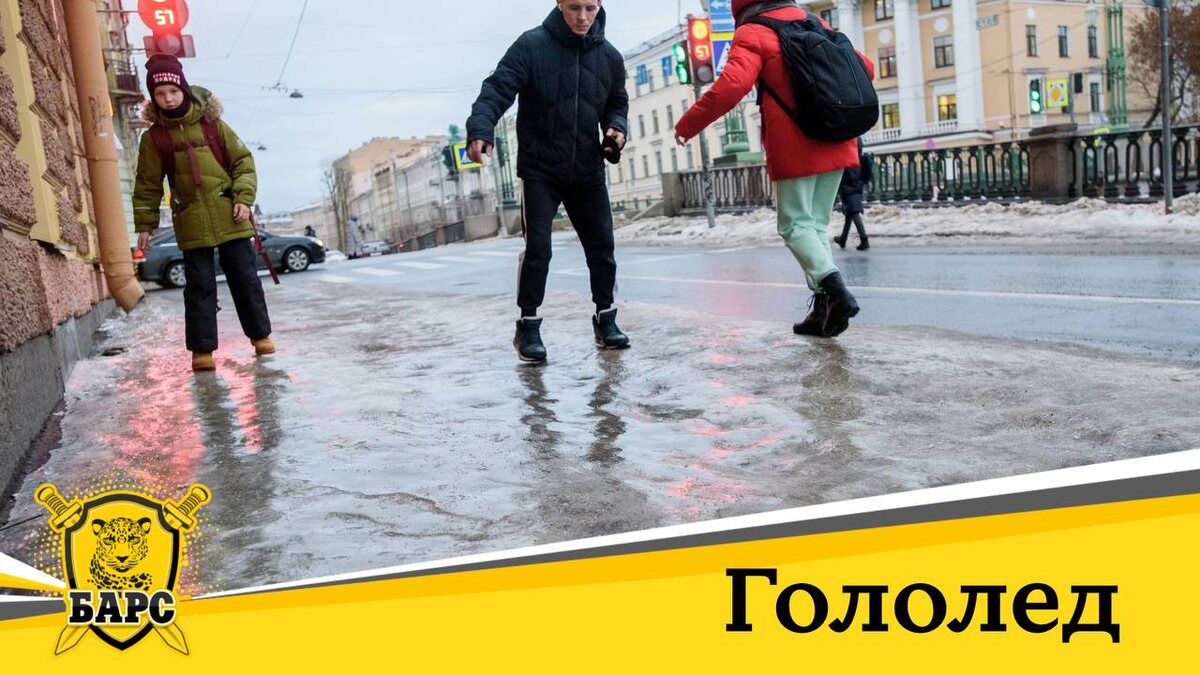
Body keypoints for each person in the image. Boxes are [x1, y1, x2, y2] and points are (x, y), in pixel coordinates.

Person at [674, 0, 874, 338]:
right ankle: (823, 310)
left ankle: (836, 293)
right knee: (814, 226)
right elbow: (866, 68)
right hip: (838, 137)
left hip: (797, 144)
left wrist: (687, 125)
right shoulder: (815, 23)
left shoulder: (753, 31)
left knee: (794, 226)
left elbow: (731, 87)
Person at [466, 0, 630, 363]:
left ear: (600, 4)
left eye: (590, 8)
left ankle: (606, 319)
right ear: (559, 3)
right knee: (539, 249)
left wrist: (617, 128)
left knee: (602, 247)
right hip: (540, 168)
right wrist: (481, 129)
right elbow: (497, 89)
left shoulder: (610, 57)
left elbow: (617, 103)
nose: (583, 17)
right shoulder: (532, 45)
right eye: (574, 8)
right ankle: (528, 327)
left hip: (587, 168)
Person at [132, 54, 273, 372]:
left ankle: (260, 336)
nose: (168, 99)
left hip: (230, 213)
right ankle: (202, 350)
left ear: (183, 89)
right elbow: (147, 185)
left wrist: (243, 198)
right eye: (160, 94)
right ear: (154, 97)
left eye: (173, 91)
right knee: (199, 287)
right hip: (190, 219)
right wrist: (145, 225)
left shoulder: (212, 124)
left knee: (245, 279)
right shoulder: (154, 138)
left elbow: (243, 162)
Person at [835, 138, 873, 251]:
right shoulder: (857, 141)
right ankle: (843, 238)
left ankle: (864, 239)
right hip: (857, 181)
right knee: (850, 212)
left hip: (849, 182)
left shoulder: (848, 142)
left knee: (854, 211)